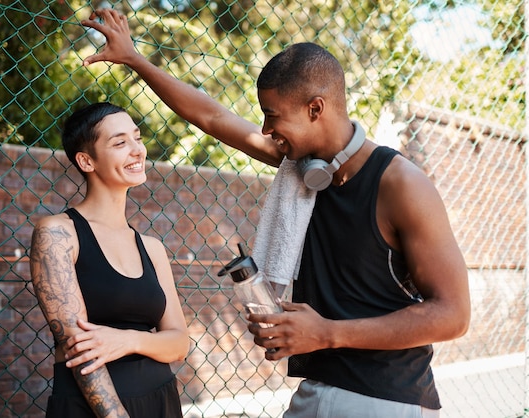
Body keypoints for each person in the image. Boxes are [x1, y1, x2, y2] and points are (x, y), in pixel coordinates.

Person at [80, 9, 471, 418]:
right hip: (318, 387)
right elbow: (213, 117)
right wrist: (135, 59)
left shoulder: (401, 184)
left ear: (315, 109)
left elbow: (453, 314)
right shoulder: (301, 170)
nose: (266, 130)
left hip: (384, 399)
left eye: (273, 116)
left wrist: (327, 333)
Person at [29, 102, 189, 418]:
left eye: (137, 138)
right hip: (93, 409)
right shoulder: (58, 234)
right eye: (120, 143)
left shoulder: (152, 248)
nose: (137, 150)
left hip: (161, 402)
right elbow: (80, 352)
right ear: (87, 161)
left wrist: (127, 340)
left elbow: (179, 343)